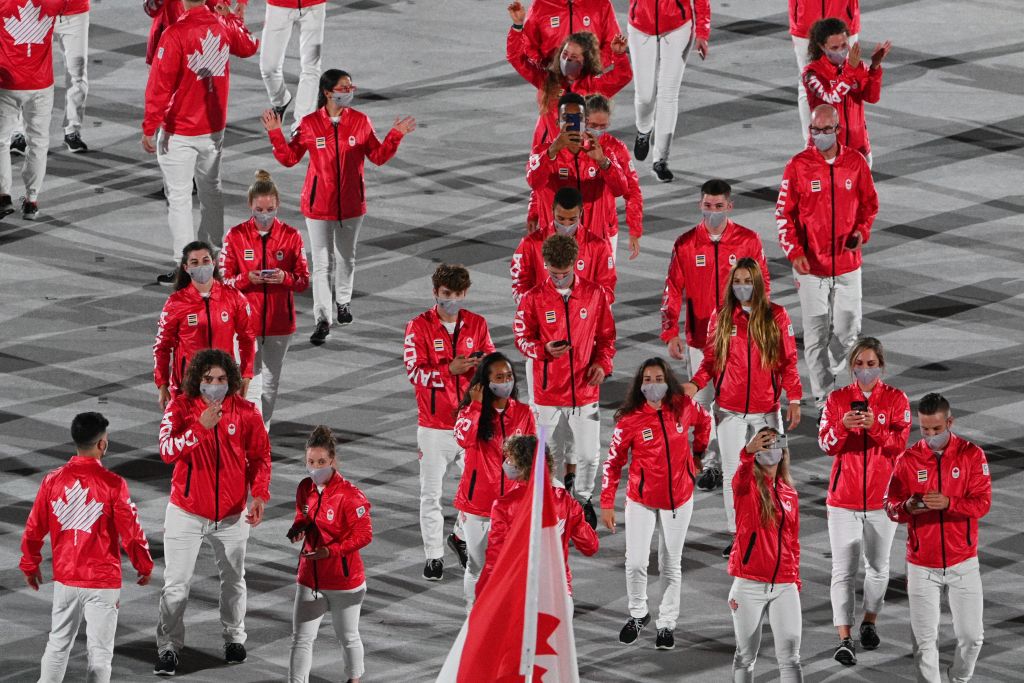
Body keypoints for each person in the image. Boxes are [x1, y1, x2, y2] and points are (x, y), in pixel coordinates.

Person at [263, 69, 416, 344]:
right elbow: (289, 158)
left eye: (350, 86)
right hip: (318, 206)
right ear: (328, 92)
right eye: (344, 87)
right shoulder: (309, 124)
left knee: (346, 257)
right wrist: (276, 134)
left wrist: (395, 135)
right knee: (321, 264)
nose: (350, 91)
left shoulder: (360, 122)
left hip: (351, 205)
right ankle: (323, 318)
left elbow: (378, 157)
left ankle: (343, 301)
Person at [154, 349, 272, 675]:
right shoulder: (179, 408)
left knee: (234, 581)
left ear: (231, 380)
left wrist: (260, 494)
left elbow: (260, 457)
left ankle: (234, 638)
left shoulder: (247, 412)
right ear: (197, 380)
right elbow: (166, 450)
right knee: (176, 585)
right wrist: (199, 428)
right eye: (208, 380)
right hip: (186, 512)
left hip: (233, 516)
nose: (215, 385)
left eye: (221, 379)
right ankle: (167, 648)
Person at [20, 412, 153, 683]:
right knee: (100, 654)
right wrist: (144, 564)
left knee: (57, 646)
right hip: (102, 582)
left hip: (66, 579)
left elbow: (34, 528)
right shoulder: (114, 484)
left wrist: (30, 564)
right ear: (102, 444)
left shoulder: (52, 481)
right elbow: (132, 532)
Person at [684, 258, 801, 556]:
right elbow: (710, 361)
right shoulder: (721, 317)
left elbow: (788, 361)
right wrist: (695, 385)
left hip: (768, 410)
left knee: (774, 470)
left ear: (758, 283)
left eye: (748, 281)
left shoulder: (777, 316)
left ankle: (774, 529)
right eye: (737, 281)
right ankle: (738, 535)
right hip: (729, 410)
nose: (742, 287)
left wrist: (796, 398)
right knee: (734, 473)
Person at [660, 179, 771, 491]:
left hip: (740, 339)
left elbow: (764, 287)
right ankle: (711, 464)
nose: (713, 212)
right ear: (700, 205)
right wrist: (670, 332)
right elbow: (672, 289)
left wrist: (761, 328)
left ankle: (745, 460)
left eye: (718, 207)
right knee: (705, 402)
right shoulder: (685, 244)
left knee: (740, 401)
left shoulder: (749, 241)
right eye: (708, 206)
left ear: (729, 206)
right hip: (700, 338)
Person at [142, 0, 258, 284]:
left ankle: (187, 266)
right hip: (212, 128)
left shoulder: (175, 33)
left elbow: (160, 84)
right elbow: (249, 45)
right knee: (211, 193)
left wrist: (149, 124)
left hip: (179, 130)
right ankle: (212, 260)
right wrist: (233, 17)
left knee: (179, 199)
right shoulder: (223, 25)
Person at [600, 357, 711, 649]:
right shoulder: (629, 420)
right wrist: (607, 502)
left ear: (668, 380)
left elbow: (705, 422)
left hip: (679, 498)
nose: (653, 384)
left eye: (658, 378)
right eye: (647, 379)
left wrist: (698, 453)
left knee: (670, 564)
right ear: (639, 384)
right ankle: (639, 614)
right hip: (642, 500)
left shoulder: (684, 407)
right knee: (635, 562)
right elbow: (613, 464)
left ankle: (666, 623)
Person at [775, 103, 879, 413]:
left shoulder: (855, 163)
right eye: (814, 130)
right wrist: (794, 252)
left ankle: (835, 367)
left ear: (837, 130)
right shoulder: (798, 166)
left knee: (848, 332)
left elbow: (870, 206)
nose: (819, 135)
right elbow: (783, 214)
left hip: (848, 265)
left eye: (825, 130)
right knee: (815, 334)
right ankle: (824, 400)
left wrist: (861, 232)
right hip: (811, 268)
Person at [884, 393, 991, 683]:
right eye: (924, 429)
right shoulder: (908, 459)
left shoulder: (972, 455)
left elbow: (982, 504)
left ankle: (958, 678)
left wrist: (949, 503)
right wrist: (906, 507)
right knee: (924, 645)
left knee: (973, 638)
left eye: (936, 429)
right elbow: (890, 506)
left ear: (950, 422)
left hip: (963, 562)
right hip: (922, 565)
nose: (930, 435)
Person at [514, 233, 616, 528]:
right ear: (545, 265)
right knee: (551, 453)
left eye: (565, 273)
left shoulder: (595, 295)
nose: (559, 278)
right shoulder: (532, 298)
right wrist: (542, 350)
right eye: (553, 273)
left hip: (585, 390)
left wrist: (602, 363)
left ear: (575, 264)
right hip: (546, 394)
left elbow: (607, 337)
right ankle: (558, 502)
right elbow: (521, 338)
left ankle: (583, 500)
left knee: (588, 454)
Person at [817, 337, 910, 665]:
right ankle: (844, 638)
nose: (865, 370)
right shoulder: (838, 399)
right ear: (852, 365)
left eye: (872, 364)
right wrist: (843, 428)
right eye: (860, 364)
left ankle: (869, 620)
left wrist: (877, 431)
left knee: (878, 568)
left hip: (883, 501)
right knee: (842, 571)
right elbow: (826, 445)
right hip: (843, 501)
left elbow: (900, 445)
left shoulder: (897, 400)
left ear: (881, 366)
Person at [403, 264, 495, 581]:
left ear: (464, 293)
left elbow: (494, 366)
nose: (451, 301)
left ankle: (458, 536)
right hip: (433, 426)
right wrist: (449, 371)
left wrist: (482, 366)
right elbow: (414, 372)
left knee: (482, 490)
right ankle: (434, 557)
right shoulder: (418, 327)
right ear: (435, 293)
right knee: (431, 494)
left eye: (456, 295)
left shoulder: (478, 325)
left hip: (470, 424)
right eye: (445, 295)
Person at [219, 169, 310, 429]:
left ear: (277, 205)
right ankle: (242, 428)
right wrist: (248, 279)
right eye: (260, 209)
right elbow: (223, 282)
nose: (265, 214)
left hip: (280, 324)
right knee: (245, 378)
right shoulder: (235, 236)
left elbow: (303, 280)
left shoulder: (291, 236)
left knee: (270, 383)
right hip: (244, 324)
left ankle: (262, 429)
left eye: (270, 208)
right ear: (250, 206)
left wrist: (284, 278)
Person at [287, 425, 372, 683]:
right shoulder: (305, 488)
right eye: (310, 462)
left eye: (321, 462)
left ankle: (354, 679)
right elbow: (302, 515)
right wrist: (298, 528)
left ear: (333, 461)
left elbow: (364, 535)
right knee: (301, 639)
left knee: (347, 636)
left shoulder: (351, 496)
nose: (315, 468)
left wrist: (330, 552)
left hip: (344, 582)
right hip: (309, 577)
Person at [452, 352, 536, 610]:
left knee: (511, 566)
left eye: (509, 376)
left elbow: (532, 455)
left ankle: (504, 617)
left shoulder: (523, 412)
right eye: (499, 377)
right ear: (485, 383)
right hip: (477, 505)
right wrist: (476, 406)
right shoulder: (471, 412)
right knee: (477, 566)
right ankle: (473, 616)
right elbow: (463, 439)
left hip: (512, 505)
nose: (506, 381)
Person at [478, 434, 598, 598]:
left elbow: (495, 556)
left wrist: (483, 593)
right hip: (558, 594)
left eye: (511, 459)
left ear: (523, 466)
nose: (507, 463)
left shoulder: (504, 506)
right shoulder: (567, 502)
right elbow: (590, 546)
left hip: (520, 593)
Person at [728, 428, 803, 682]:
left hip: (784, 583)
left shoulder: (790, 493)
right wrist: (746, 453)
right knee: (746, 655)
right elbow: (739, 478)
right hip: (749, 583)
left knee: (791, 657)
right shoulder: (746, 486)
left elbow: (793, 541)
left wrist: (796, 579)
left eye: (775, 444)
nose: (770, 450)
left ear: (783, 452)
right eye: (764, 445)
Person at [507, 4, 631, 149]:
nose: (566, 60)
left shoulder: (594, 86)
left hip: (583, 159)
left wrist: (619, 55)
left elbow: (623, 76)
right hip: (549, 152)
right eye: (564, 55)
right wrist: (517, 26)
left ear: (585, 61)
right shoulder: (547, 80)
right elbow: (517, 58)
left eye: (573, 57)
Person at [153, 240, 256, 408]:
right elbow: (162, 346)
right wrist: (162, 384)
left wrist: (246, 375)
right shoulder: (175, 303)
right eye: (195, 262)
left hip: (223, 383)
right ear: (186, 268)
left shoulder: (233, 297)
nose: (201, 265)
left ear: (214, 263)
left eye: (206, 260)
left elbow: (248, 338)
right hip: (188, 386)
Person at [526, 93, 628, 246]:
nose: (572, 124)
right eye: (566, 118)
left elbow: (620, 189)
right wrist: (552, 152)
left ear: (585, 121)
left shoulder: (603, 152)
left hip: (593, 246)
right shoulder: (542, 152)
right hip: (555, 246)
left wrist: (602, 161)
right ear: (557, 122)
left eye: (577, 118)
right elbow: (534, 182)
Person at [626, 0, 711, 182]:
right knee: (645, 95)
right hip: (640, 25)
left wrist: (702, 33)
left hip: (678, 26)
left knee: (668, 94)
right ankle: (643, 130)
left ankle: (661, 160)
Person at [0, 0, 61, 220]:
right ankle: (31, 200)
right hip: (41, 84)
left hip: (7, 83)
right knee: (38, 141)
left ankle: (3, 195)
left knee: (1, 141)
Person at [802, 18, 891, 166]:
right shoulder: (812, 74)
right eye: (835, 47)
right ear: (821, 47)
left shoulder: (856, 66)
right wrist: (850, 71)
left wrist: (875, 68)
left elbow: (872, 97)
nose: (842, 50)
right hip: (826, 151)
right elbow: (831, 98)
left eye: (844, 45)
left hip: (859, 148)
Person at [512, 187, 617, 305]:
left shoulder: (599, 247)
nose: (566, 225)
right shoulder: (530, 244)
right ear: (552, 210)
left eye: (572, 220)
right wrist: (540, 305)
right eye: (561, 219)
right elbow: (519, 287)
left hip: (583, 319)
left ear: (581, 213)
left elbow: (607, 291)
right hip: (544, 319)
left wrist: (581, 305)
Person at [583, 94, 643, 259]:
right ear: (583, 120)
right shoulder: (571, 147)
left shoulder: (616, 148)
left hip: (606, 229)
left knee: (604, 283)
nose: (598, 130)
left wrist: (634, 230)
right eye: (593, 125)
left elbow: (632, 190)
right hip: (572, 226)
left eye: (603, 126)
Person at [789, 0, 860, 134]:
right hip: (805, 20)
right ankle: (811, 144)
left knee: (849, 81)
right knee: (807, 84)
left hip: (843, 17)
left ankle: (848, 144)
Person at [259, 0, 325, 131]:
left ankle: (302, 125)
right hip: (278, 5)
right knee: (269, 67)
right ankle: (281, 100)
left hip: (314, 6)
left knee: (311, 66)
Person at [516, 0, 621, 65]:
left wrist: (595, 66)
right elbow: (528, 43)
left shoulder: (601, 3)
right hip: (553, 82)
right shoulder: (540, 5)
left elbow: (612, 42)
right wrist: (545, 68)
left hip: (590, 82)